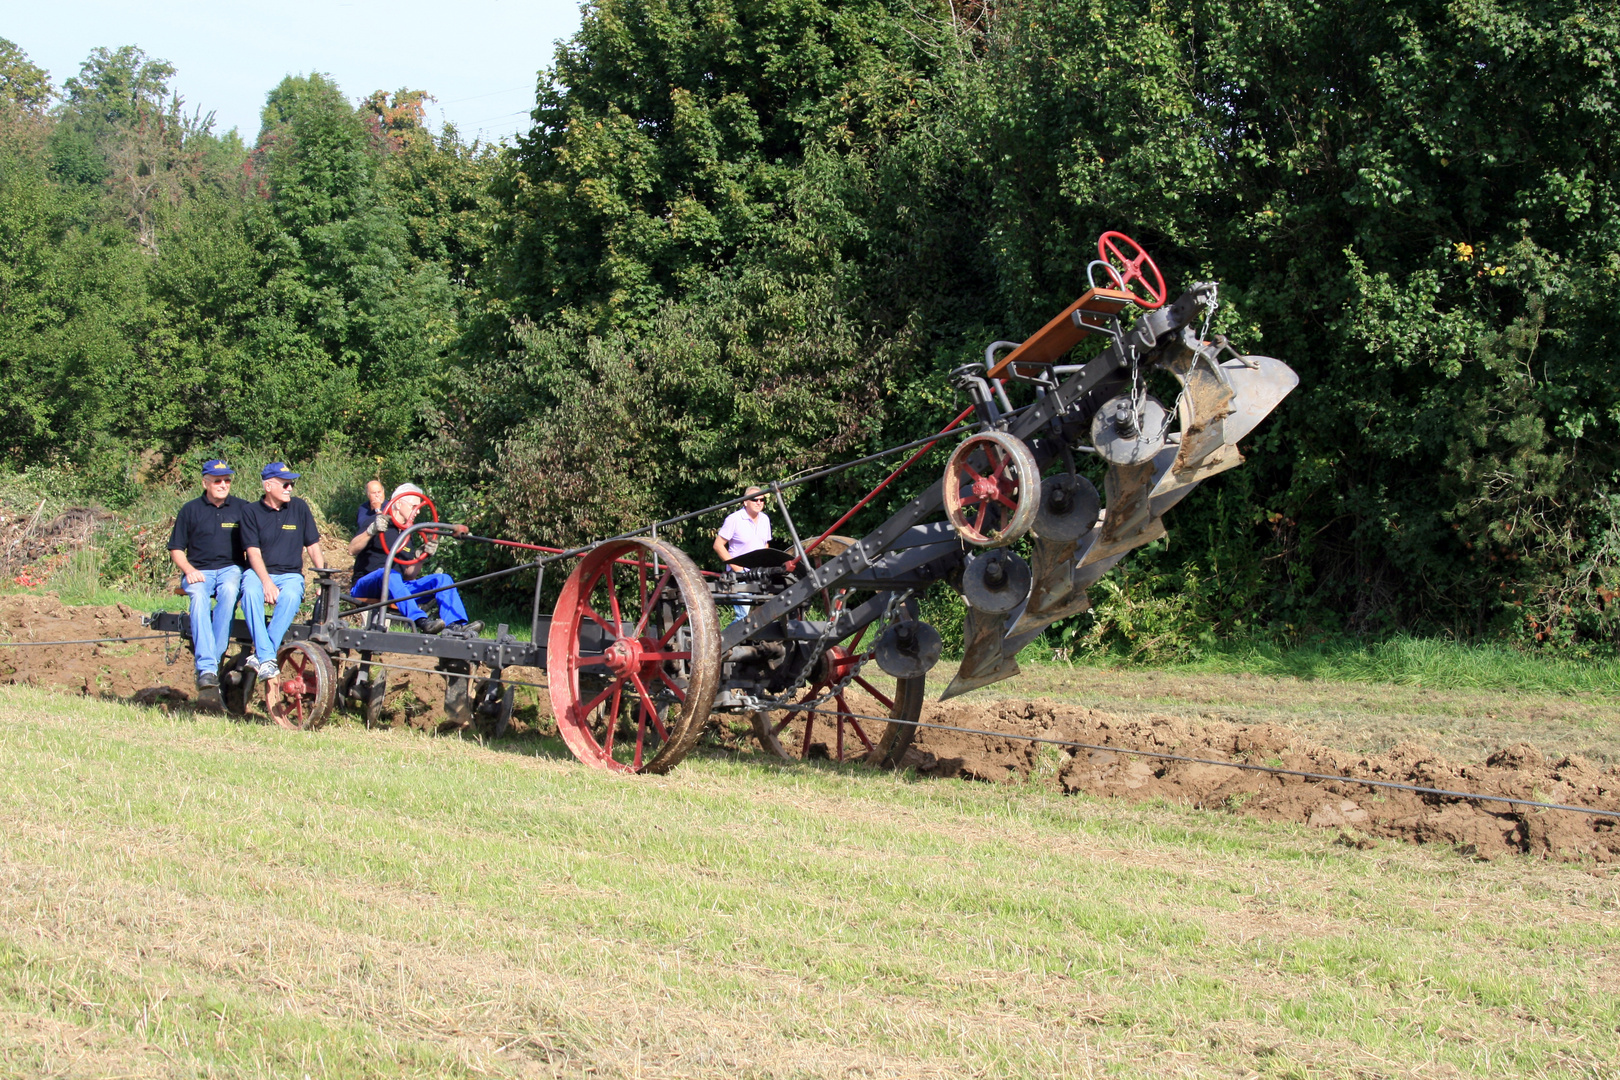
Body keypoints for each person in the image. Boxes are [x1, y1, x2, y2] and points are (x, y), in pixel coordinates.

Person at [239, 462, 326, 694]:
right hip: (260, 572)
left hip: (290, 575)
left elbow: (313, 546)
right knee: (250, 591)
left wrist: (322, 577)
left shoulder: (299, 508)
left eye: (292, 484)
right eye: (285, 484)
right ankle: (268, 657)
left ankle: (262, 656)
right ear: (268, 486)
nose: (290, 488)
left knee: (291, 594)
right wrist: (266, 582)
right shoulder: (250, 512)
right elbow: (252, 552)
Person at [166, 459, 249, 702]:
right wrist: (189, 570)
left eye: (227, 480)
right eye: (217, 481)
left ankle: (208, 666)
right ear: (205, 483)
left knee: (230, 590)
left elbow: (256, 543)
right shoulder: (190, 510)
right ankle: (208, 667)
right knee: (199, 596)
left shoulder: (242, 508)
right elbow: (176, 549)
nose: (223, 484)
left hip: (230, 569)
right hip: (199, 571)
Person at [348, 483, 478, 635]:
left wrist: (422, 556)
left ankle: (456, 625)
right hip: (367, 585)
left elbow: (410, 574)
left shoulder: (407, 533)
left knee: (443, 580)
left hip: (395, 586)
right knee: (389, 574)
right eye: (414, 506)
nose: (417, 511)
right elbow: (352, 549)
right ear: (398, 503)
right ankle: (421, 621)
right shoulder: (378, 521)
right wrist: (371, 531)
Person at [713, 486, 772, 619]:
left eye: (762, 500)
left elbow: (765, 544)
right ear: (745, 502)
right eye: (754, 499)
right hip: (740, 576)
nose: (759, 502)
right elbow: (718, 545)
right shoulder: (734, 519)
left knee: (759, 618)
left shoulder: (765, 519)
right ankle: (724, 639)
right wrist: (737, 568)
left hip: (758, 574)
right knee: (743, 618)